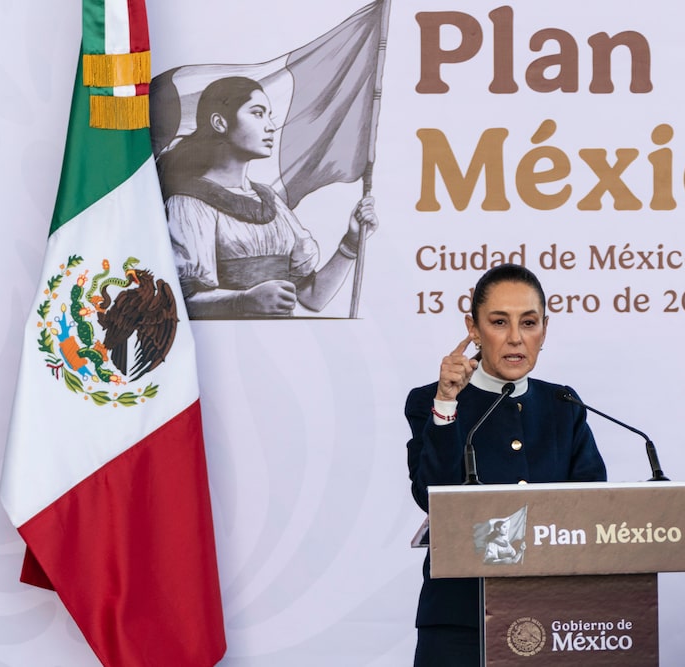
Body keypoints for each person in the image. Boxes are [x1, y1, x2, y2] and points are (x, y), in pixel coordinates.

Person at [404, 263, 607, 666]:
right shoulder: (432, 401)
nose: (516, 337)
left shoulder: (563, 404)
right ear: (474, 329)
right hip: (459, 621)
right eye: (499, 322)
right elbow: (431, 495)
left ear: (544, 330)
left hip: (553, 617)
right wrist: (446, 403)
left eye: (529, 323)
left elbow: (591, 507)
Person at [156, 76, 379, 318]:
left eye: (269, 115)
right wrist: (243, 301)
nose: (271, 126)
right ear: (220, 123)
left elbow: (313, 297)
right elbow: (178, 302)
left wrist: (352, 242)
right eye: (257, 113)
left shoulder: (270, 200)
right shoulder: (189, 203)